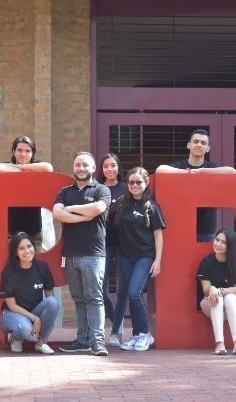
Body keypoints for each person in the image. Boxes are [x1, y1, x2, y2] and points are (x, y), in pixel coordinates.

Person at [53, 152, 111, 356]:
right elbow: (57, 213)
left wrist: (71, 210)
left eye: (85, 165)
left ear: (93, 168)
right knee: (78, 299)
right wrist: (83, 216)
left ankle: (97, 342)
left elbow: (97, 208)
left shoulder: (101, 189)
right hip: (70, 255)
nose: (81, 168)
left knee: (94, 298)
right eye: (77, 165)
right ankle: (82, 340)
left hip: (93, 254)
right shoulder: (65, 191)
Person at [112, 167, 165, 351]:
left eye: (138, 182)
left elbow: (158, 235)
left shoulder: (152, 206)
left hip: (145, 256)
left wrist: (157, 261)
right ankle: (136, 335)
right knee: (129, 294)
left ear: (146, 183)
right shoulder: (121, 204)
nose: (135, 185)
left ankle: (145, 334)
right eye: (131, 182)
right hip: (125, 257)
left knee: (135, 293)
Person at [156, 129, 236, 241]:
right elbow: (160, 169)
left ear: (208, 149)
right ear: (189, 145)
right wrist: (187, 173)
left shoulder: (210, 167)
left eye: (203, 143)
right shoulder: (180, 165)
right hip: (181, 226)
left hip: (206, 229)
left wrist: (201, 171)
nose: (199, 145)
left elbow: (231, 171)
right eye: (196, 141)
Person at [0, 232, 60, 354]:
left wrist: (48, 322)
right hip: (11, 314)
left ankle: (41, 343)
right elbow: (12, 306)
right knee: (25, 329)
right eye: (21, 248)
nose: (27, 251)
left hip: (34, 311)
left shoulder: (42, 267)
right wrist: (35, 318)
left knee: (53, 302)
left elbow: (50, 299)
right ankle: (16, 337)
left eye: (29, 246)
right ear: (15, 252)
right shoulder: (9, 272)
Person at [0, 135, 53, 249]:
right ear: (13, 151)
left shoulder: (37, 167)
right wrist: (21, 168)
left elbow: (48, 168)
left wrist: (20, 167)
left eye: (27, 151)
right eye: (19, 150)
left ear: (32, 153)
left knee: (34, 265)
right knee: (12, 265)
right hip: (11, 229)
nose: (23, 154)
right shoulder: (6, 167)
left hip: (33, 229)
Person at [197, 228, 236, 356]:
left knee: (229, 297)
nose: (218, 244)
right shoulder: (206, 261)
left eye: (223, 242)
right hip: (210, 304)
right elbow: (205, 290)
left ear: (230, 246)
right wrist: (212, 289)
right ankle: (220, 344)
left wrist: (220, 290)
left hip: (234, 305)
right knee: (217, 299)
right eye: (217, 240)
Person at [98, 153, 128, 347]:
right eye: (106, 166)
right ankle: (115, 315)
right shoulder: (98, 189)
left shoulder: (127, 188)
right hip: (103, 244)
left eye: (113, 166)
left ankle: (116, 331)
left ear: (118, 167)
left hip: (125, 244)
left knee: (123, 289)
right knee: (100, 289)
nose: (110, 169)